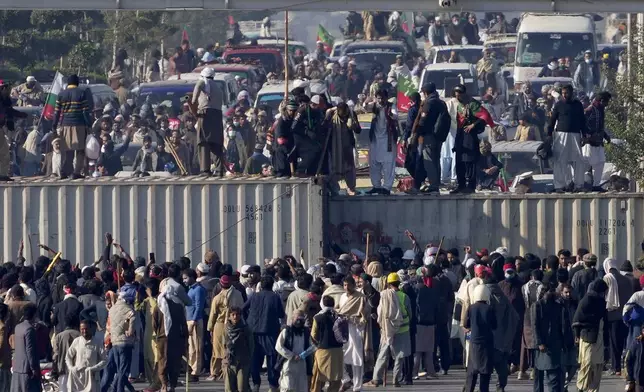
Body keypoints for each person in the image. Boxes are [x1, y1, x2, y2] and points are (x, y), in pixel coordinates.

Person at [366, 273, 411, 387]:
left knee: (383, 354)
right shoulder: (404, 296)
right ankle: (396, 379)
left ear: (388, 284)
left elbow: (380, 311)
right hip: (403, 329)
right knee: (399, 356)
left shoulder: (384, 295)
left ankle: (376, 379)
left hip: (387, 329)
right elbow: (410, 314)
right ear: (398, 283)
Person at [244, 275, 284, 391]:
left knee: (255, 359)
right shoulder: (275, 297)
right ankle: (273, 384)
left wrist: (248, 320)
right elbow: (281, 314)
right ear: (272, 285)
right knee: (272, 359)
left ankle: (256, 383)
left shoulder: (254, 296)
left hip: (254, 331)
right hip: (270, 332)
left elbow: (243, 308)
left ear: (260, 285)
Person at [547, 84, 588, 193]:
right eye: (563, 93)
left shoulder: (578, 105)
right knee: (559, 160)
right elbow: (552, 120)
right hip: (561, 135)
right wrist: (549, 134)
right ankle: (559, 186)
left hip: (575, 135)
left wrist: (584, 135)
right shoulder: (559, 105)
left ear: (571, 93)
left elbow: (582, 121)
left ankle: (579, 185)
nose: (565, 95)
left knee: (578, 160)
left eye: (567, 93)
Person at [154, 275, 190, 392]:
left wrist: (158, 334)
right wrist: (185, 340)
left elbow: (155, 324)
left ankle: (164, 385)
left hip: (162, 339)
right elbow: (183, 325)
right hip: (176, 339)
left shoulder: (158, 307)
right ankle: (172, 386)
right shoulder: (178, 306)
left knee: (163, 362)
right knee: (174, 362)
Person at [51, 74, 92, 178]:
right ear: (77, 83)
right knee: (80, 150)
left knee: (67, 150)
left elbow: (56, 113)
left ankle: (64, 172)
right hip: (79, 125)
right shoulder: (81, 93)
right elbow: (85, 111)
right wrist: (89, 124)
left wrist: (54, 126)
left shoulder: (61, 94)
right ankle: (76, 172)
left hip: (65, 125)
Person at [533, 283, 571, 392]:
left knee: (554, 376)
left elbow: (562, 326)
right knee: (539, 375)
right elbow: (535, 325)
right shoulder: (537, 305)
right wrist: (539, 342)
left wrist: (565, 343)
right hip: (542, 345)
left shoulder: (558, 306)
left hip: (555, 344)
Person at [573, 279, 608, 392]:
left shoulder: (601, 301)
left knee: (597, 366)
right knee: (587, 364)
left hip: (599, 337)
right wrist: (577, 335)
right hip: (588, 337)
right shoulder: (587, 300)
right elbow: (578, 319)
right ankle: (581, 387)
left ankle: (593, 389)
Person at [207, 274, 244, 381]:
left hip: (220, 325)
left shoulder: (217, 298)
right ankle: (228, 371)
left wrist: (210, 329)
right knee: (231, 348)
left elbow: (213, 314)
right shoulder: (238, 294)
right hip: (235, 324)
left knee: (216, 350)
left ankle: (214, 373)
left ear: (220, 285)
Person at [451, 84, 487, 194]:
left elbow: (484, 117)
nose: (458, 97)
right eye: (456, 95)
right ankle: (461, 185)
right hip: (461, 135)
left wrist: (473, 125)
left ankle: (470, 186)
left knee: (470, 162)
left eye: (459, 95)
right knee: (459, 161)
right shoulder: (459, 106)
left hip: (470, 136)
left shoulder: (473, 104)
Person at [192, 67, 226, 176]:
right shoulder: (218, 87)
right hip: (217, 115)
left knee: (203, 142)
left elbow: (197, 87)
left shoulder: (203, 82)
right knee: (216, 143)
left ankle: (205, 170)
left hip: (205, 114)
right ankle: (220, 169)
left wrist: (192, 100)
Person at [603, 257, 634, 376]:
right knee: (622, 341)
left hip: (612, 315)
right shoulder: (626, 279)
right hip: (625, 315)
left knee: (613, 342)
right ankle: (622, 366)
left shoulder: (608, 278)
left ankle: (615, 367)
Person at [338, 275, 368, 392]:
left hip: (356, 329)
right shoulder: (342, 297)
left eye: (349, 285)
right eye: (345, 285)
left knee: (357, 358)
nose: (347, 287)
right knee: (341, 356)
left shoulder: (361, 297)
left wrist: (354, 319)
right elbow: (340, 310)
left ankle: (357, 386)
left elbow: (364, 316)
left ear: (353, 285)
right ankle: (345, 380)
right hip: (343, 330)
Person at [463, 285, 495, 392]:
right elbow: (495, 325)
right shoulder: (490, 308)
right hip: (487, 343)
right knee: (485, 372)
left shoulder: (471, 308)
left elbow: (465, 324)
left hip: (474, 343)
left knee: (472, 372)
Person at [366, 89, 399, 195]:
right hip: (375, 140)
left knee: (388, 164)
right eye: (378, 98)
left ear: (386, 98)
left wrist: (390, 115)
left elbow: (395, 115)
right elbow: (365, 107)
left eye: (382, 98)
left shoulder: (391, 106)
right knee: (374, 163)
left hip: (387, 140)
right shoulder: (374, 106)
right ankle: (376, 186)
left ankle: (387, 187)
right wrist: (366, 101)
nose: (380, 100)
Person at [275, 309, 314, 392]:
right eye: (297, 319)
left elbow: (312, 347)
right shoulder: (286, 331)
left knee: (301, 388)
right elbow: (278, 346)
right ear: (292, 319)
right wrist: (292, 356)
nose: (299, 322)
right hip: (288, 363)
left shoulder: (306, 332)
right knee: (287, 388)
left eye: (301, 319)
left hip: (302, 365)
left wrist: (304, 355)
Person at [326, 103, 361, 196]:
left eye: (345, 116)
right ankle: (334, 189)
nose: (343, 118)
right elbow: (324, 127)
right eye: (342, 116)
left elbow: (358, 130)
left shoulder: (352, 114)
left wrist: (353, 125)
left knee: (349, 168)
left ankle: (351, 188)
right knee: (333, 168)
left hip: (347, 147)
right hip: (335, 147)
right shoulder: (332, 115)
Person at [311, 296, 344, 392]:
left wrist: (317, 343)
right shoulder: (339, 316)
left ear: (322, 304)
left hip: (323, 351)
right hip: (338, 351)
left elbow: (313, 335)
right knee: (335, 379)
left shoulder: (318, 317)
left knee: (319, 377)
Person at [65, 319, 107, 392]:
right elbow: (68, 357)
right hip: (78, 379)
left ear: (90, 329)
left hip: (92, 378)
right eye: (82, 329)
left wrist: (93, 368)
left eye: (86, 329)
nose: (84, 331)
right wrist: (71, 368)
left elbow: (105, 360)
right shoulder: (77, 341)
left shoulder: (97, 342)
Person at [414, 265, 440, 380]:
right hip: (431, 322)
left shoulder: (416, 289)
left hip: (419, 322)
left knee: (418, 351)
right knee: (429, 350)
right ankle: (431, 371)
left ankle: (414, 372)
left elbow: (416, 306)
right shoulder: (432, 290)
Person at [583, 92, 612, 191]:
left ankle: (596, 185)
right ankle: (580, 184)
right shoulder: (591, 109)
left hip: (598, 142)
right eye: (607, 102)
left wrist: (605, 136)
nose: (607, 104)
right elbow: (582, 122)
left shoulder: (601, 110)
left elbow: (599, 126)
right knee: (587, 163)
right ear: (602, 101)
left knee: (600, 162)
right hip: (589, 142)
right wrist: (589, 135)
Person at [222, 306, 254, 392]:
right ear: (229, 316)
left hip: (242, 362)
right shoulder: (225, 329)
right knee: (229, 388)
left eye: (238, 314)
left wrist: (248, 359)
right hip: (229, 362)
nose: (235, 317)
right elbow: (223, 345)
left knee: (242, 388)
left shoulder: (245, 329)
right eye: (233, 315)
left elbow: (251, 345)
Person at [11, 303, 40, 392]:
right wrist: (34, 368)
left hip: (17, 367)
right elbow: (30, 351)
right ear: (34, 314)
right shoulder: (29, 329)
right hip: (27, 369)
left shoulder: (18, 327)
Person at [183, 268, 206, 382]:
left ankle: (195, 371)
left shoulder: (198, 290)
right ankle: (192, 368)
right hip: (189, 319)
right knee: (191, 347)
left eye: (186, 278)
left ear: (192, 277)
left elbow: (199, 306)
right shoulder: (190, 289)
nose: (184, 281)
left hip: (195, 321)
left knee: (196, 347)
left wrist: (193, 321)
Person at [53, 313, 81, 392]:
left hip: (63, 369)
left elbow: (56, 355)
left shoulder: (59, 336)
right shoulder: (79, 335)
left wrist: (54, 370)